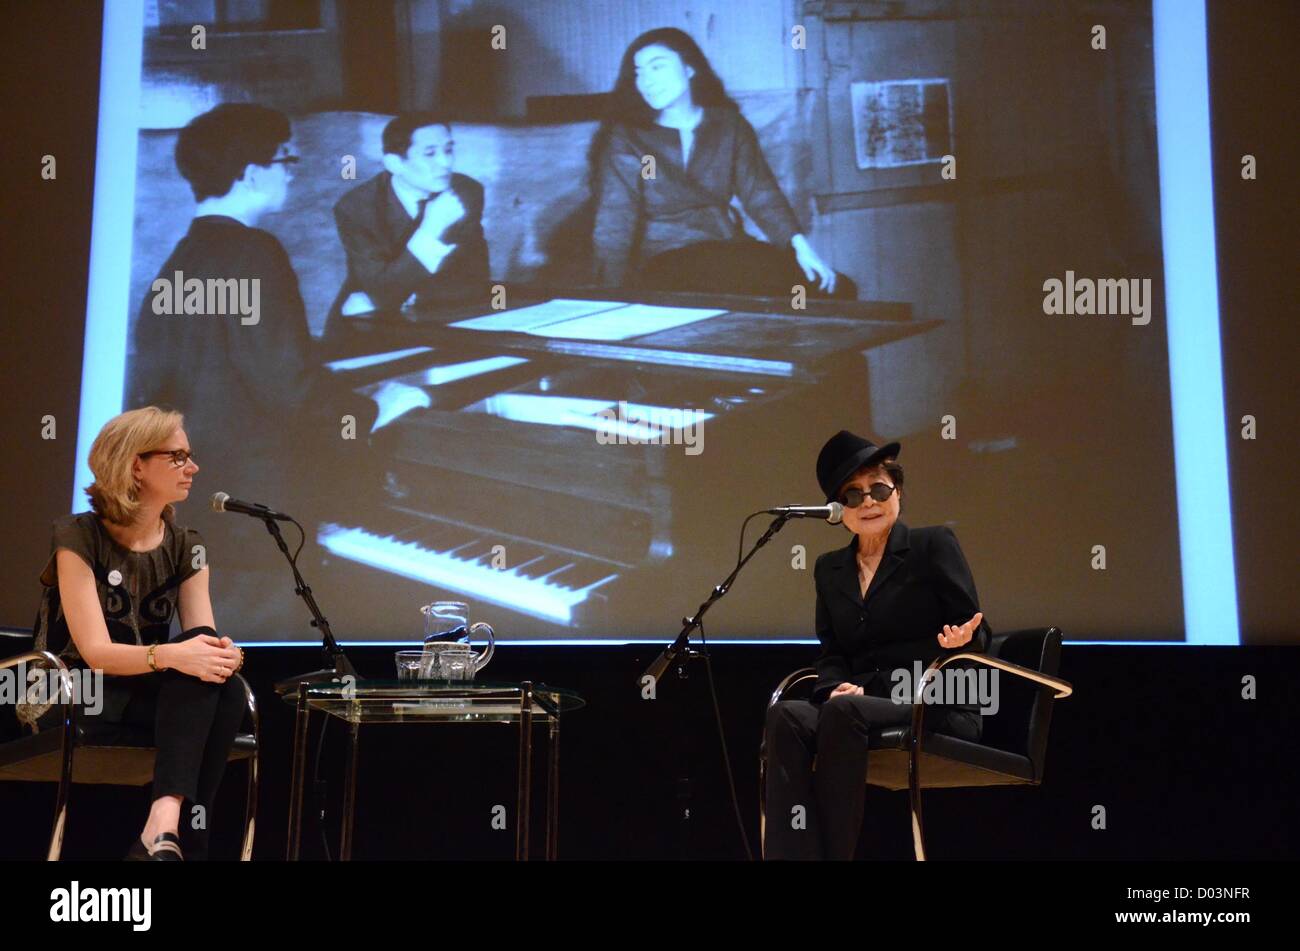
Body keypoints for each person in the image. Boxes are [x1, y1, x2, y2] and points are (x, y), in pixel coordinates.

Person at [129, 103, 429, 635]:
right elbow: (288, 384)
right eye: (286, 159)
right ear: (250, 173)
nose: (291, 171)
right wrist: (378, 406)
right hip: (256, 513)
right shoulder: (255, 252)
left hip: (194, 511)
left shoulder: (177, 263)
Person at [763, 430, 992, 860]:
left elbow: (978, 630)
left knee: (846, 710)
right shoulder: (829, 569)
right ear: (838, 511)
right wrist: (833, 686)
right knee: (786, 715)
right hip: (857, 705)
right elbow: (832, 652)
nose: (868, 502)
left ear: (897, 493)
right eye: (853, 495)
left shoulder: (932, 545)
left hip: (937, 698)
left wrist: (966, 638)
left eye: (879, 489)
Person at [29, 408, 245, 860]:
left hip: (143, 691)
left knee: (220, 684)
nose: (194, 467)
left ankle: (162, 829)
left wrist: (219, 655)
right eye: (179, 456)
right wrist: (171, 656)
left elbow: (199, 635)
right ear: (135, 465)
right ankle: (184, 841)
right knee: (205, 685)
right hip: (71, 688)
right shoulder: (78, 535)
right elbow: (94, 652)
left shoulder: (189, 544)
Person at [591, 27, 854, 298]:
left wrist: (802, 248)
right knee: (736, 285)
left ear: (690, 68)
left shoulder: (729, 125)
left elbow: (760, 193)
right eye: (638, 73)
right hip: (665, 258)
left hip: (728, 247)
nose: (646, 81)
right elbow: (616, 215)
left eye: (657, 67)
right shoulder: (628, 137)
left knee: (834, 289)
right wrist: (612, 292)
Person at [321, 112, 490, 356]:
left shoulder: (466, 192)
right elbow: (382, 290)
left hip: (438, 320)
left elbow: (475, 279)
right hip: (366, 331)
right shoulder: (356, 208)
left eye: (449, 150)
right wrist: (429, 231)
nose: (445, 162)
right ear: (394, 164)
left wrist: (408, 296)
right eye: (430, 153)